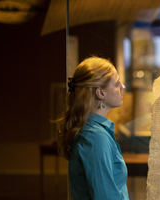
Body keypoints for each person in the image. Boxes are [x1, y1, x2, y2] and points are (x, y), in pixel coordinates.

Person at [55, 56, 128, 200]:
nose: (122, 86)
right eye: (117, 83)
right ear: (101, 93)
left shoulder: (93, 132)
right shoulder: (95, 138)